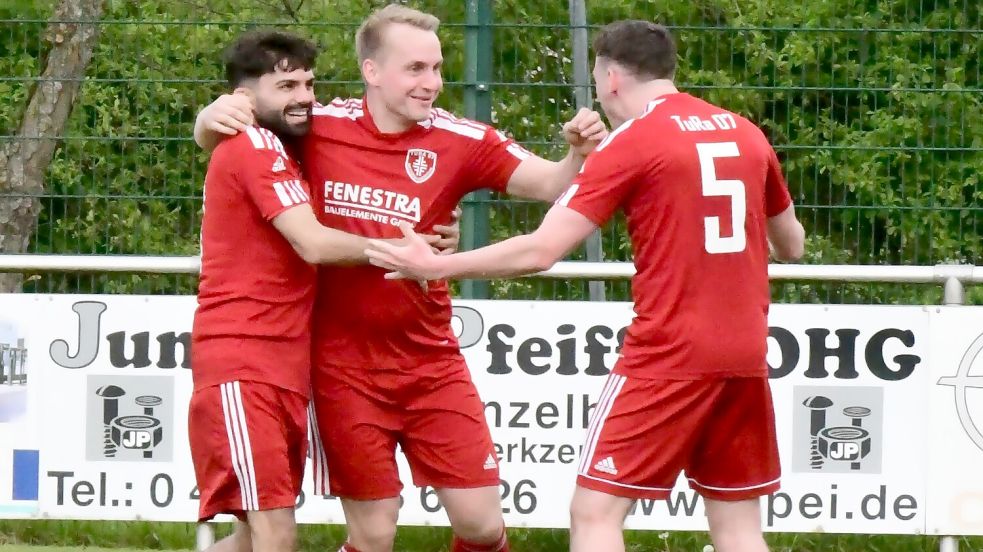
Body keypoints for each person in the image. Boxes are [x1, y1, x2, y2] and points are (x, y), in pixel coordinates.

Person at [365, 20, 806, 552]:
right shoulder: (745, 132)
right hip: (745, 352)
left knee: (594, 513)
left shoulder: (635, 140)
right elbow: (793, 245)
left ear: (611, 78)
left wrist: (434, 267)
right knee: (737, 526)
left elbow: (541, 250)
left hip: (671, 352)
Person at [194, 5, 607, 552]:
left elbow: (553, 184)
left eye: (436, 68)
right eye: (415, 69)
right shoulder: (316, 124)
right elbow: (243, 143)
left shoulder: (464, 139)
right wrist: (209, 117)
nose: (431, 83)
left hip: (428, 358)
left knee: (481, 525)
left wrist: (577, 153)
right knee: (371, 532)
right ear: (371, 71)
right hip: (341, 367)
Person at [189, 30, 453, 552]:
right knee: (274, 533)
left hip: (284, 364)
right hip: (245, 363)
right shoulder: (255, 142)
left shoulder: (288, 144)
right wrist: (407, 249)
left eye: (309, 82)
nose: (304, 96)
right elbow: (312, 242)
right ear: (242, 98)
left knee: (247, 539)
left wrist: (428, 229)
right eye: (286, 84)